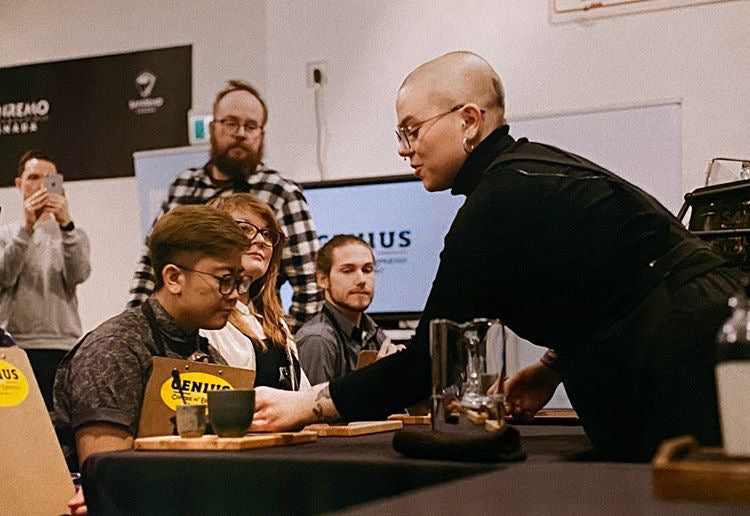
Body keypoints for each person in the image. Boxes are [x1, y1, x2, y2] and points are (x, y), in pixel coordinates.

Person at [249, 51, 745, 462]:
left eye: (412, 130)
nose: (405, 150)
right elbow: (608, 283)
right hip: (695, 327)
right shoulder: (533, 169)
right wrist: (552, 367)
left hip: (682, 357)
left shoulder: (500, 200)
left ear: (468, 121)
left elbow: (427, 360)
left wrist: (309, 404)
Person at [53, 205, 250, 515]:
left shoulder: (207, 353)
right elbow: (106, 476)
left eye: (240, 281)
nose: (235, 294)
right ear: (173, 278)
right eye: (225, 279)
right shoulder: (114, 349)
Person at [127, 80, 322, 331]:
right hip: (178, 338)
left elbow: (309, 286)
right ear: (212, 128)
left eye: (250, 126)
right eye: (231, 123)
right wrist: (136, 328)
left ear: (261, 134)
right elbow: (151, 264)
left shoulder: (281, 193)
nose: (240, 133)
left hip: (250, 337)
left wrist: (279, 341)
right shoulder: (184, 186)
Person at [0, 150, 90, 410]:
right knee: (20, 427)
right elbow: (4, 276)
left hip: (63, 345)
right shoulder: (5, 234)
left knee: (60, 426)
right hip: (14, 346)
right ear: (19, 184)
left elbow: (79, 274)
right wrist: (26, 229)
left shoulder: (74, 233)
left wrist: (66, 225)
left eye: (50, 179)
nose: (41, 185)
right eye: (33, 177)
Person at [201, 193, 311, 391]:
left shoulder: (276, 323)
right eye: (245, 229)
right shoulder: (203, 324)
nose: (261, 240)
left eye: (268, 234)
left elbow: (303, 398)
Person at [296, 235, 394, 384]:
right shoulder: (317, 339)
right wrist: (376, 380)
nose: (361, 280)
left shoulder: (373, 331)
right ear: (323, 279)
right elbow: (313, 407)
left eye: (367, 270)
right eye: (348, 270)